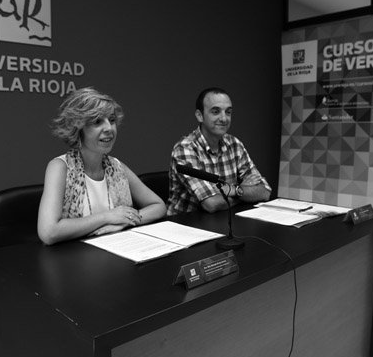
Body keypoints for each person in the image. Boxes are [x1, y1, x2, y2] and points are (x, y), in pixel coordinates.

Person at [37, 87, 166, 245]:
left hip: (117, 251)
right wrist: (107, 216)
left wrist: (126, 221)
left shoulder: (117, 167)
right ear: (79, 127)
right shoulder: (60, 167)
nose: (109, 128)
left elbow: (158, 206)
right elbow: (49, 232)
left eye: (112, 120)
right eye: (97, 122)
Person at [167, 87, 271, 215]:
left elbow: (265, 191)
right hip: (186, 223)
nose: (224, 118)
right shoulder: (186, 148)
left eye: (228, 112)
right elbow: (211, 204)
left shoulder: (234, 144)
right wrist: (241, 192)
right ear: (199, 116)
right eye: (216, 112)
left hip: (224, 219)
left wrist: (233, 190)